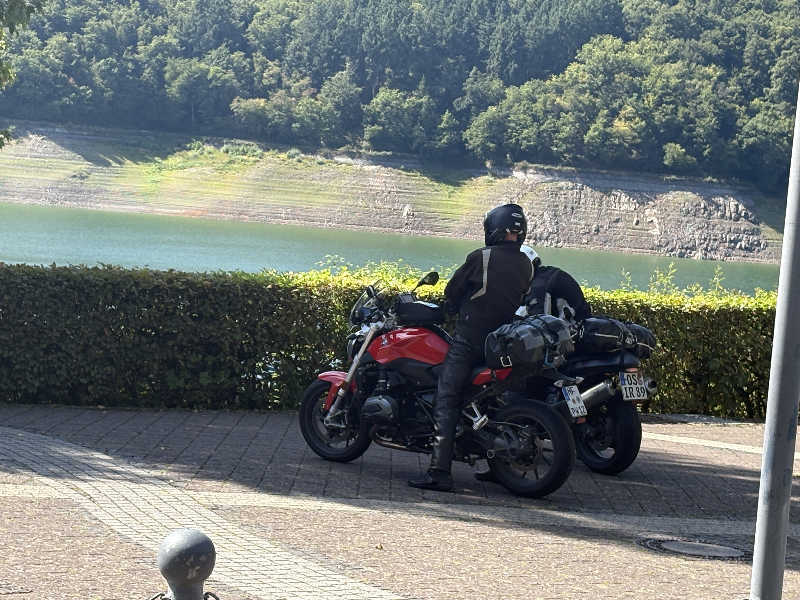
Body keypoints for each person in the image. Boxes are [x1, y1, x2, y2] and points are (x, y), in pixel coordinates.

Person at [408, 203, 534, 492]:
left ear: (494, 229)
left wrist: (451, 307)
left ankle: (439, 472)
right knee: (495, 401)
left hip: (470, 341)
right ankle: (497, 465)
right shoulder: (526, 264)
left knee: (446, 397)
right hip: (502, 343)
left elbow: (453, 290)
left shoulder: (482, 257)